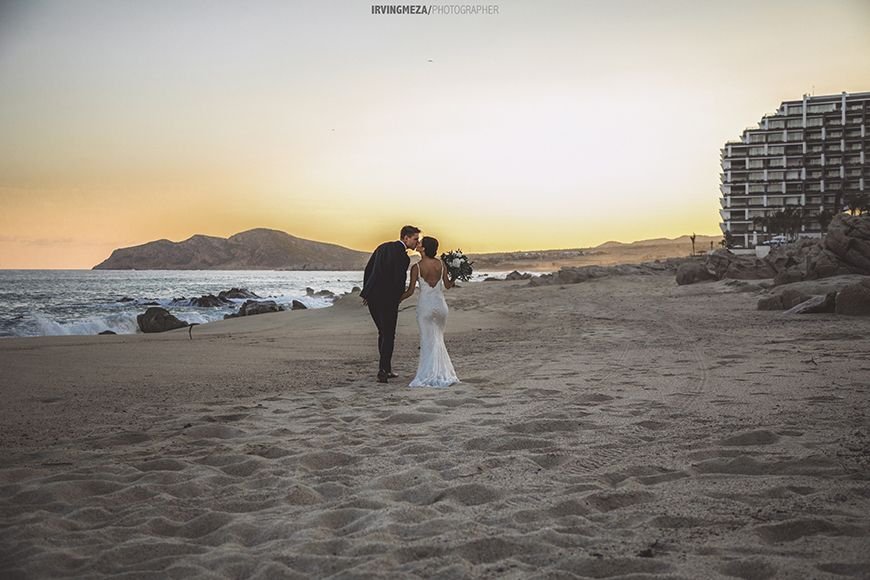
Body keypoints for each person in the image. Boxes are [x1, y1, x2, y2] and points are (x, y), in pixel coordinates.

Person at [360, 225, 421, 383]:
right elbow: (398, 281)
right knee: (389, 334)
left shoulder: (382, 247)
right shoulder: (403, 256)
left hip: (373, 297)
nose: (417, 242)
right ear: (405, 238)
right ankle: (383, 370)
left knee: (382, 332)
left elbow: (370, 270)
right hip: (388, 300)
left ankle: (385, 368)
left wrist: (367, 292)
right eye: (415, 239)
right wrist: (398, 298)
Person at [400, 236, 459, 388]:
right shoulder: (441, 263)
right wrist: (456, 275)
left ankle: (427, 374)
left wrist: (397, 300)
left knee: (427, 341)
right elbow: (447, 285)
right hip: (441, 307)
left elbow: (410, 291)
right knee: (438, 339)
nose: (418, 244)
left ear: (424, 248)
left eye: (420, 243)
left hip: (425, 307)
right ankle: (441, 372)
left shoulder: (416, 268)